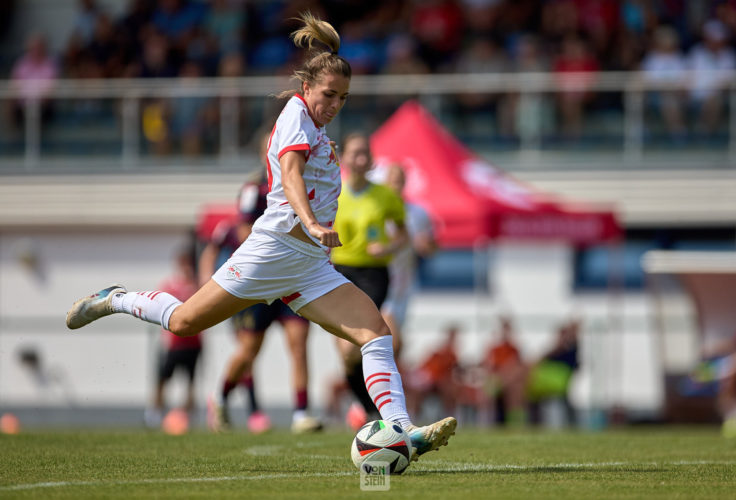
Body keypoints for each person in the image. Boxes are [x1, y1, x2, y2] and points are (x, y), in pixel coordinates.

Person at [66, 12, 456, 461]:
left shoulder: (317, 125)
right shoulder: (294, 118)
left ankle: (404, 430)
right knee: (184, 322)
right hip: (273, 251)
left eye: (343, 98)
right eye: (328, 95)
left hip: (308, 266)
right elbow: (289, 175)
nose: (334, 104)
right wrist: (311, 222)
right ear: (306, 89)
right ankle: (114, 298)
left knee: (375, 332)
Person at [200, 137, 321, 435]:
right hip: (261, 278)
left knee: (298, 343)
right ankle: (221, 397)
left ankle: (301, 413)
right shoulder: (255, 188)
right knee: (250, 350)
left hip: (291, 278)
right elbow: (243, 232)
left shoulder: (307, 184)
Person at [330, 131, 409, 429]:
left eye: (365, 153)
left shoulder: (385, 195)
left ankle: (381, 412)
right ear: (345, 158)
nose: (361, 158)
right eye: (355, 153)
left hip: (374, 275)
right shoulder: (332, 190)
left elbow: (403, 234)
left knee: (361, 345)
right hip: (339, 273)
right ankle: (367, 407)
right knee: (346, 354)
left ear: (371, 159)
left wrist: (388, 246)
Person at [381, 164, 438, 361]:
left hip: (404, 286)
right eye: (392, 178)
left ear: (405, 182)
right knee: (393, 342)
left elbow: (431, 248)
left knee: (391, 349)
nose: (395, 182)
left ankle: (381, 388)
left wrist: (426, 245)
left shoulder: (418, 213)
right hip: (381, 282)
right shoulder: (377, 211)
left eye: (399, 178)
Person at [144, 243, 203, 430]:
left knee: (191, 382)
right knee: (163, 378)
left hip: (194, 343)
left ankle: (187, 417)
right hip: (174, 344)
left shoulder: (198, 285)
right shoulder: (169, 286)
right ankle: (154, 414)